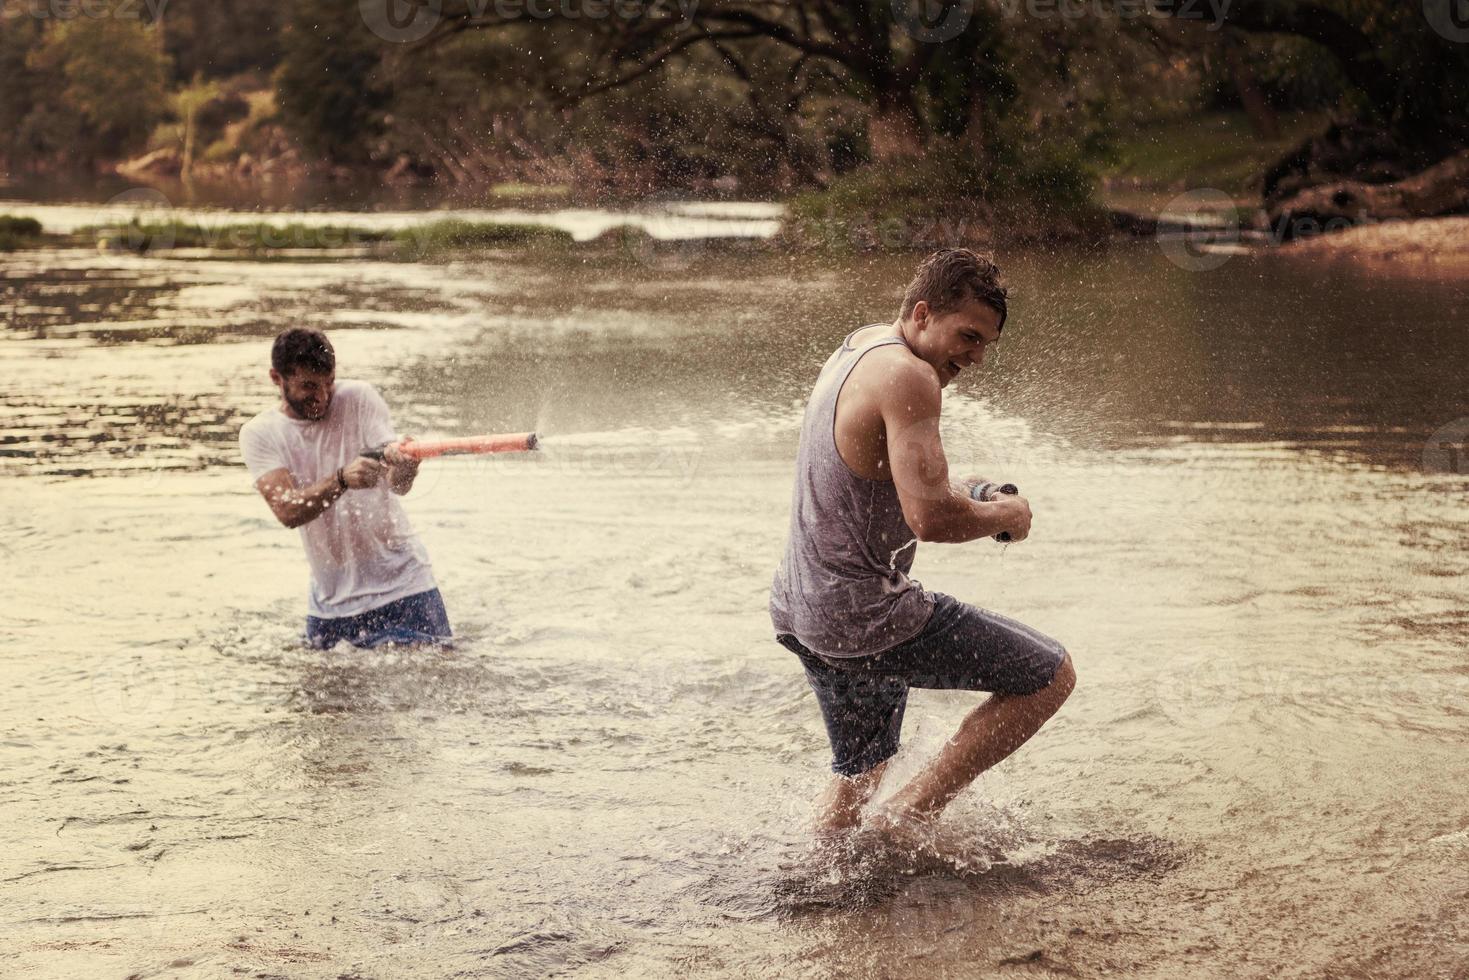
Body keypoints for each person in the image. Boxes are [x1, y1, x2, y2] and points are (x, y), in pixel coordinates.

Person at [770, 248, 1075, 835]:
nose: (976, 357)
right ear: (922, 312)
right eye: (967, 335)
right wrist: (1005, 514)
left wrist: (981, 491)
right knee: (1049, 675)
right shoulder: (912, 378)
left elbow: (896, 480)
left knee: (862, 770)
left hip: (801, 606)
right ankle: (907, 821)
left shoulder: (862, 346)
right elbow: (931, 519)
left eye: (987, 344)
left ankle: (823, 881)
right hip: (863, 614)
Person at [239, 327, 451, 649]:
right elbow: (288, 510)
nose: (322, 397)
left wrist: (406, 467)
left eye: (329, 383)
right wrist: (341, 480)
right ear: (276, 378)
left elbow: (398, 485)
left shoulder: (359, 398)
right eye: (309, 386)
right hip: (331, 606)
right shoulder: (260, 433)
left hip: (406, 587)